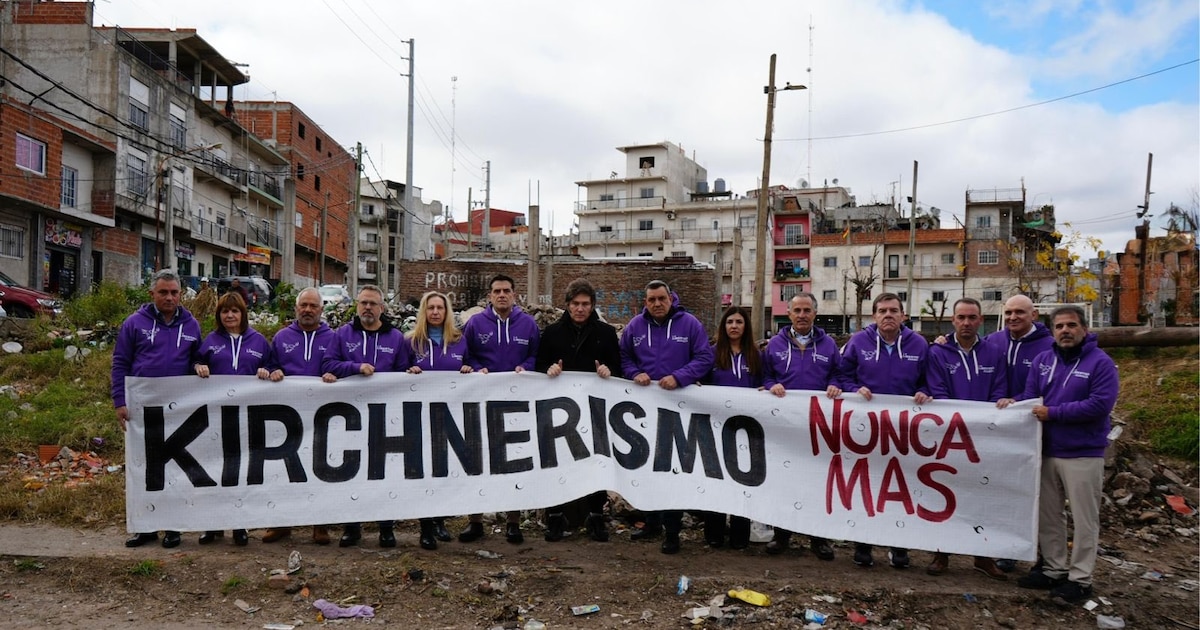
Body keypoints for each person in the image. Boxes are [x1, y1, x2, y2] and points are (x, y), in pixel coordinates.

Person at [1008, 306, 1118, 605]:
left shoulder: (1101, 363)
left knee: (1084, 519)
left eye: (1071, 325)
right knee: (1048, 514)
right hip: (1045, 450)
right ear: (1052, 330)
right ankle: (1053, 568)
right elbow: (1031, 396)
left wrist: (1053, 414)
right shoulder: (1044, 360)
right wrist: (1012, 403)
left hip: (1083, 453)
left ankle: (1081, 578)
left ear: (1084, 328)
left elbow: (1099, 405)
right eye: (1059, 326)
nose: (1065, 331)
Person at [836, 292, 931, 569]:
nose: (888, 315)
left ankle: (898, 545)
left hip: (905, 431)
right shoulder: (858, 342)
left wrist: (924, 391)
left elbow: (931, 380)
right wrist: (854, 389)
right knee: (867, 487)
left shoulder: (919, 345)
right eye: (882, 311)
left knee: (901, 489)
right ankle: (863, 544)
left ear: (903, 315)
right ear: (874, 316)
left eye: (893, 310)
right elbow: (842, 376)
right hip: (866, 429)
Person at [620, 279, 714, 554]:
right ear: (645, 302)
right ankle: (651, 522)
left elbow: (704, 357)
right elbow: (624, 356)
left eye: (662, 299)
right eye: (651, 300)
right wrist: (634, 373)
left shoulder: (690, 325)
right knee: (647, 466)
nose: (657, 304)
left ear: (671, 299)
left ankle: (672, 531)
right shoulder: (635, 326)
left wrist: (680, 377)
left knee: (671, 468)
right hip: (645, 409)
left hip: (679, 407)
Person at [112, 269, 202, 549]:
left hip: (178, 408)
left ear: (180, 294)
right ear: (152, 294)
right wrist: (119, 401)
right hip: (142, 409)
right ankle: (145, 527)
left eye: (174, 292)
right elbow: (120, 363)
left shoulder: (191, 325)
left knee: (175, 470)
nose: (169, 297)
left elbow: (196, 360)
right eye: (163, 292)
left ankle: (173, 527)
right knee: (144, 469)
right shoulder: (134, 324)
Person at [923, 298, 1010, 580]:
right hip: (948, 435)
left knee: (980, 495)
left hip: (983, 437)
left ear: (980, 319)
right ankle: (941, 553)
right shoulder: (937, 353)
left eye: (972, 317)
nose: (966, 323)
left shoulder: (994, 353)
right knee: (944, 494)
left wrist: (985, 422)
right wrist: (958, 421)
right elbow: (937, 390)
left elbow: (1000, 391)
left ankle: (982, 556)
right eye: (961, 317)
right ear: (953, 320)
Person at [322, 284, 411, 548]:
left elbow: (404, 372)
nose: (368, 308)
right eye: (363, 303)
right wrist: (354, 368)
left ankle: (385, 526)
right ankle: (352, 527)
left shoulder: (396, 338)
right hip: (351, 417)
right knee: (353, 470)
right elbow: (327, 364)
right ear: (357, 306)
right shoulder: (342, 335)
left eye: (373, 304)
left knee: (384, 471)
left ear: (382, 309)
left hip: (385, 416)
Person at [535, 278, 621, 543]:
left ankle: (596, 515)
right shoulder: (551, 333)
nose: (580, 309)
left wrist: (608, 371)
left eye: (585, 304)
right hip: (560, 411)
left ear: (592, 305)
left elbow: (619, 370)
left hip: (595, 409)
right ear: (567, 305)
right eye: (575, 304)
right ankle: (556, 516)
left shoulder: (606, 334)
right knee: (559, 461)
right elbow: (538, 369)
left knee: (596, 461)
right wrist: (550, 370)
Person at [458, 274, 541, 545]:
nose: (502, 295)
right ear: (490, 296)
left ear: (514, 294)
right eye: (497, 291)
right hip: (482, 401)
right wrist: (474, 367)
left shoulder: (528, 324)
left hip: (516, 403)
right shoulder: (475, 323)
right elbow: (465, 354)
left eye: (506, 290)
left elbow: (535, 356)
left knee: (514, 460)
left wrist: (525, 368)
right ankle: (475, 521)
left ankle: (513, 522)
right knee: (478, 459)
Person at [760, 292, 842, 560]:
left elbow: (839, 374)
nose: (802, 315)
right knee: (784, 482)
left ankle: (819, 539)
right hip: (784, 426)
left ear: (815, 314)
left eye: (807, 310)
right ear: (789, 314)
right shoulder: (774, 345)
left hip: (818, 427)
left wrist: (835, 384)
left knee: (817, 482)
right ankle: (782, 536)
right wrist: (772, 385)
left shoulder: (829, 344)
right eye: (798, 310)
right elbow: (765, 376)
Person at [193, 292, 276, 546]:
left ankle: (240, 524)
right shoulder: (210, 341)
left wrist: (268, 371)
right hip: (216, 418)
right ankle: (213, 525)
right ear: (219, 315)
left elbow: (274, 368)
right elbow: (194, 363)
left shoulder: (259, 341)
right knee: (213, 470)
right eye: (225, 311)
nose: (229, 315)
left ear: (243, 314)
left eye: (235, 311)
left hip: (246, 418)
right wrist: (198, 367)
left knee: (240, 472)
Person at [260, 287, 338, 546]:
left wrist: (334, 374)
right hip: (288, 416)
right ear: (296, 308)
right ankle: (282, 523)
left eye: (312, 306)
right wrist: (273, 371)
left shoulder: (333, 337)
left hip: (322, 416)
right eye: (303, 305)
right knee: (284, 470)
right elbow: (270, 364)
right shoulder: (282, 337)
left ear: (321, 310)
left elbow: (339, 364)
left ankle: (320, 524)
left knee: (321, 468)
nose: (307, 310)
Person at [406, 291, 474, 550]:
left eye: (440, 308)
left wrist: (469, 369)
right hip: (420, 417)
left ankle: (440, 521)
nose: (435, 312)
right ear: (424, 311)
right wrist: (408, 372)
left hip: (451, 418)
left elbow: (472, 364)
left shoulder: (459, 341)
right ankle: (425, 527)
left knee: (446, 470)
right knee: (425, 472)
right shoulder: (411, 342)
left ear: (447, 312)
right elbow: (397, 373)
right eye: (431, 308)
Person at [701, 306, 761, 551]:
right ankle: (713, 532)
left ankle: (739, 533)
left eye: (739, 321)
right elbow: (700, 382)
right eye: (729, 322)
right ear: (723, 327)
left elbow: (765, 382)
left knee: (743, 482)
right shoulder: (711, 355)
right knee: (717, 480)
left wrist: (768, 389)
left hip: (748, 429)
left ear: (745, 326)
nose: (734, 326)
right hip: (716, 428)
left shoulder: (756, 356)